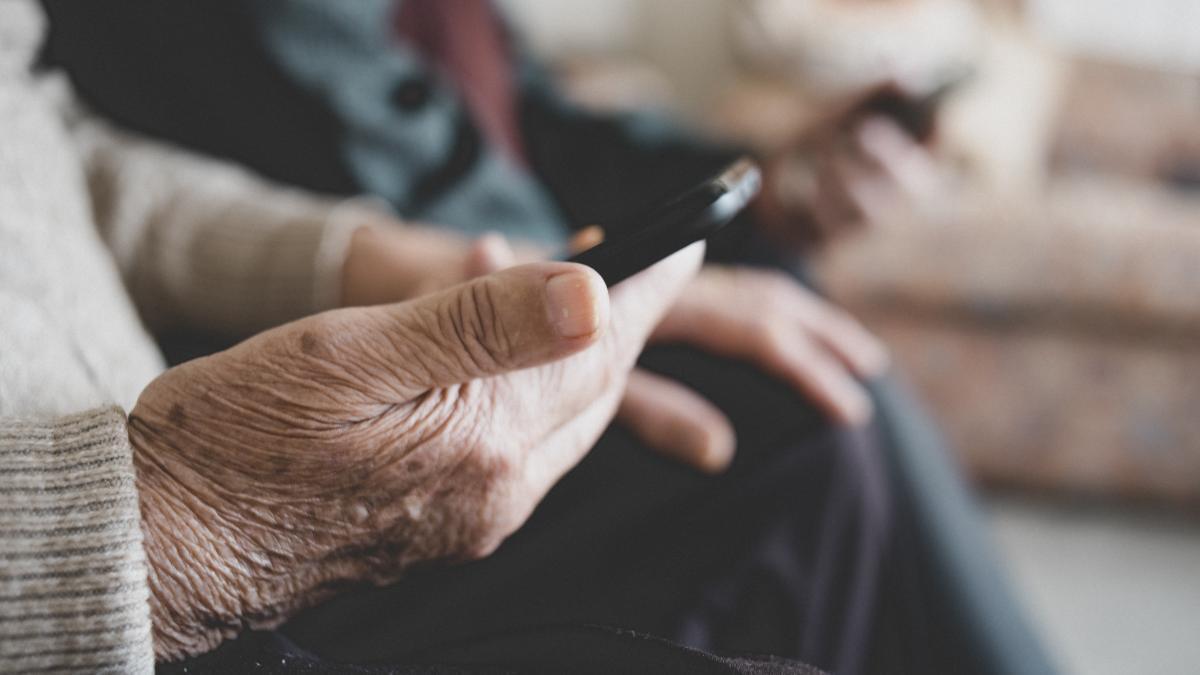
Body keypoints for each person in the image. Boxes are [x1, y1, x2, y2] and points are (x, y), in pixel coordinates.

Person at [2, 0, 1055, 673]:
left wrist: (393, 257)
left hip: (134, 455)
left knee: (790, 376)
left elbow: (67, 151)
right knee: (789, 415)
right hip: (88, 570)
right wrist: (160, 528)